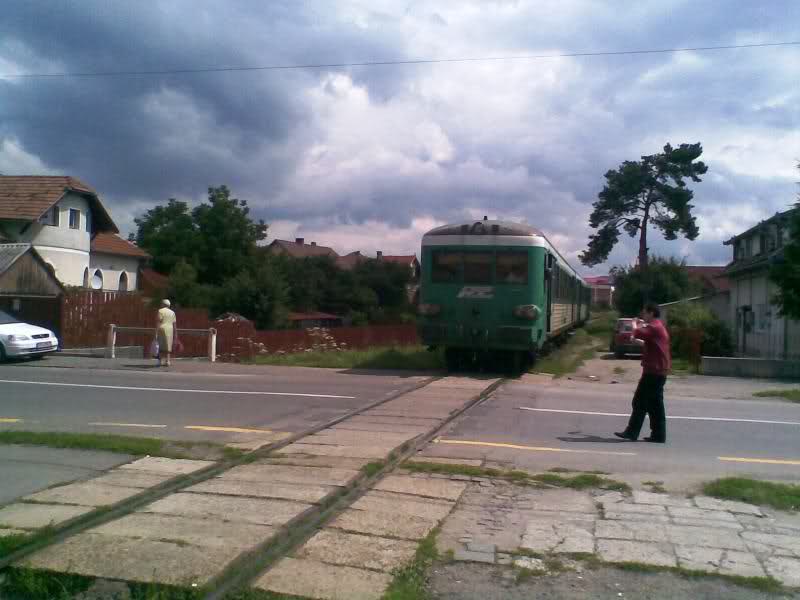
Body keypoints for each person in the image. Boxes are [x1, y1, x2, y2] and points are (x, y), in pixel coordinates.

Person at [614, 303, 671, 443]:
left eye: (645, 313)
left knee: (639, 401)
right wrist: (638, 336)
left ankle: (632, 432)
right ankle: (659, 434)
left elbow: (639, 332)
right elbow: (650, 344)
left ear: (651, 313)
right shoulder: (658, 326)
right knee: (655, 404)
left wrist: (634, 324)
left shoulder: (654, 327)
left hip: (654, 372)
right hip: (659, 371)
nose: (643, 316)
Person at [155, 299, 177, 367]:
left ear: (163, 304)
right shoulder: (172, 312)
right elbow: (174, 324)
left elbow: (159, 321)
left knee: (160, 345)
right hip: (170, 329)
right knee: (168, 345)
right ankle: (168, 361)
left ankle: (160, 361)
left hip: (162, 328)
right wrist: (176, 333)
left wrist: (156, 332)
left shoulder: (160, 311)